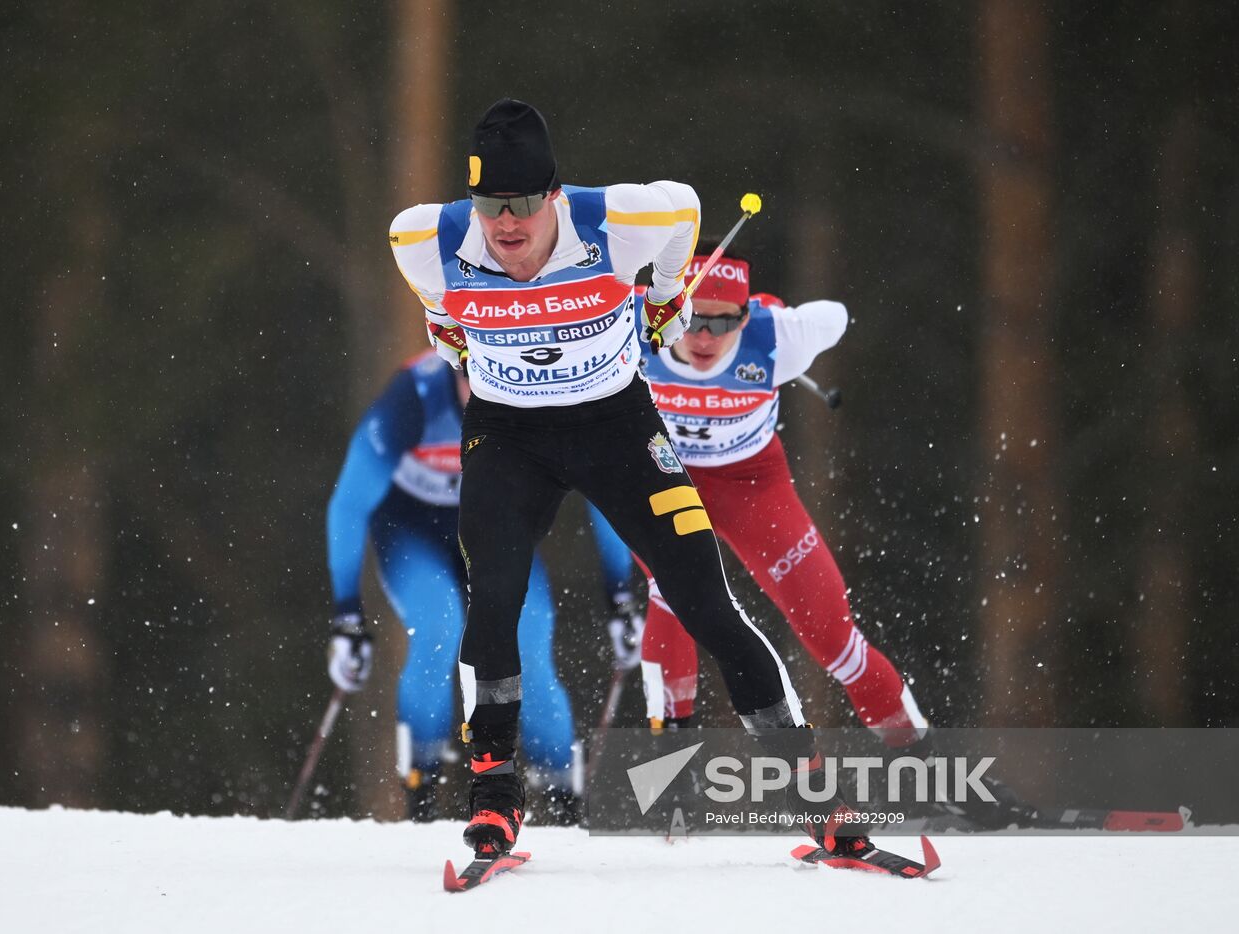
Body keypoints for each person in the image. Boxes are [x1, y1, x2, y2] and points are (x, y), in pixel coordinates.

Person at [388, 98, 865, 859]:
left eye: (519, 206)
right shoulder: (426, 236)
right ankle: (495, 799)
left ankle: (812, 797)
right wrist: (453, 339)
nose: (504, 226)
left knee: (708, 605)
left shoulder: (618, 220)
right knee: (496, 599)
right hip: (510, 438)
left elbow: (687, 207)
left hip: (617, 429)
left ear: (554, 196)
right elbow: (439, 317)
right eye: (487, 207)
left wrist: (670, 294)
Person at [325, 352, 641, 822]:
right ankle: (423, 787)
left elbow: (605, 490)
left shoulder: (541, 398)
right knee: (438, 627)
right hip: (413, 530)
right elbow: (349, 504)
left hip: (494, 525)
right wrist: (347, 616)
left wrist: (620, 593)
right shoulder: (413, 399)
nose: (485, 397)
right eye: (473, 382)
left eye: (497, 384)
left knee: (529, 644)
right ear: (454, 370)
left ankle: (563, 794)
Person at [634, 247, 929, 743]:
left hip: (752, 485)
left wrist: (776, 316)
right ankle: (669, 774)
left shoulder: (778, 338)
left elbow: (836, 315)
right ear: (670, 307)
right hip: (663, 481)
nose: (706, 338)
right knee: (671, 596)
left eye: (725, 322)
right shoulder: (630, 323)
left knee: (834, 638)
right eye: (693, 321)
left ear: (745, 316)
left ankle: (930, 772)